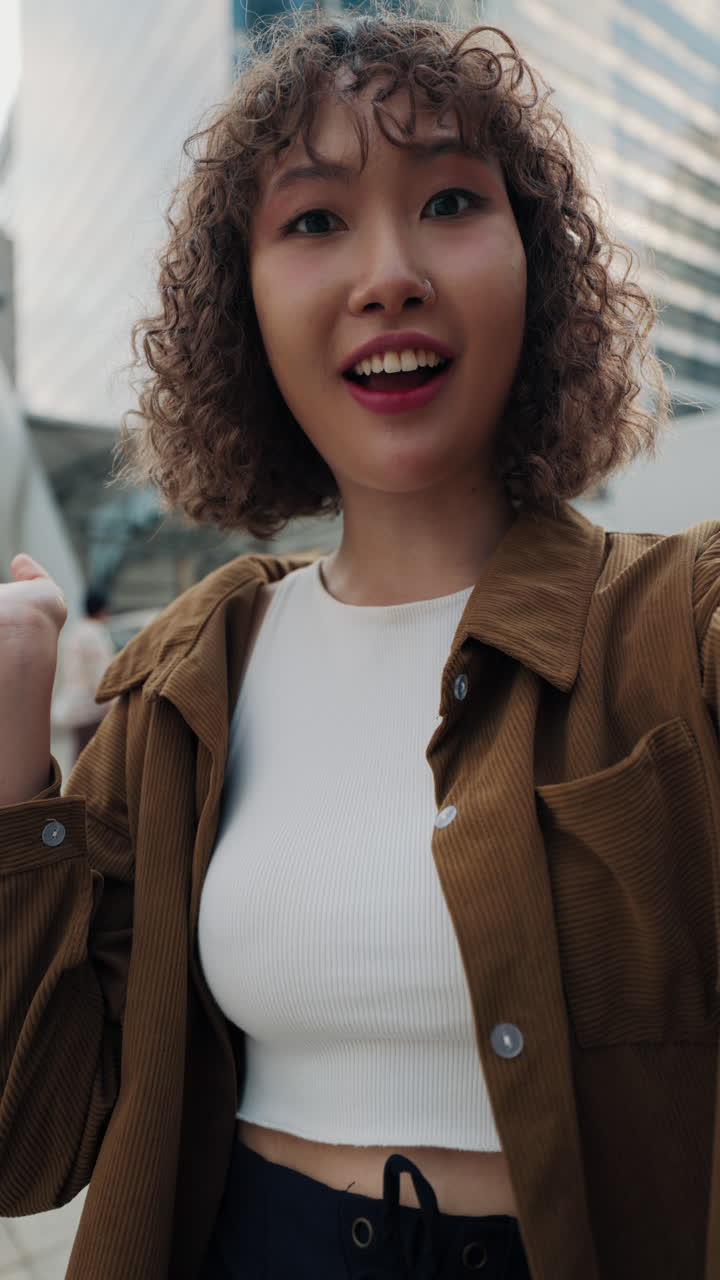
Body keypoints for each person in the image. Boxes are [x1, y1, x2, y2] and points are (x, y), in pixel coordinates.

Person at [0, 9, 718, 1279]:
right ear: (245, 307)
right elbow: (24, 1144)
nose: (388, 271)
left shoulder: (673, 623)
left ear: (537, 268)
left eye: (450, 199)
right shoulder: (185, 678)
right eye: (315, 220)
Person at [51, 586, 115, 761]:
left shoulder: (74, 631)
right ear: (103, 609)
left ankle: (77, 786)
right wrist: (109, 700)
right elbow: (99, 672)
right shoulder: (95, 634)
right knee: (93, 754)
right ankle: (83, 788)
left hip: (75, 701)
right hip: (91, 704)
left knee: (81, 749)